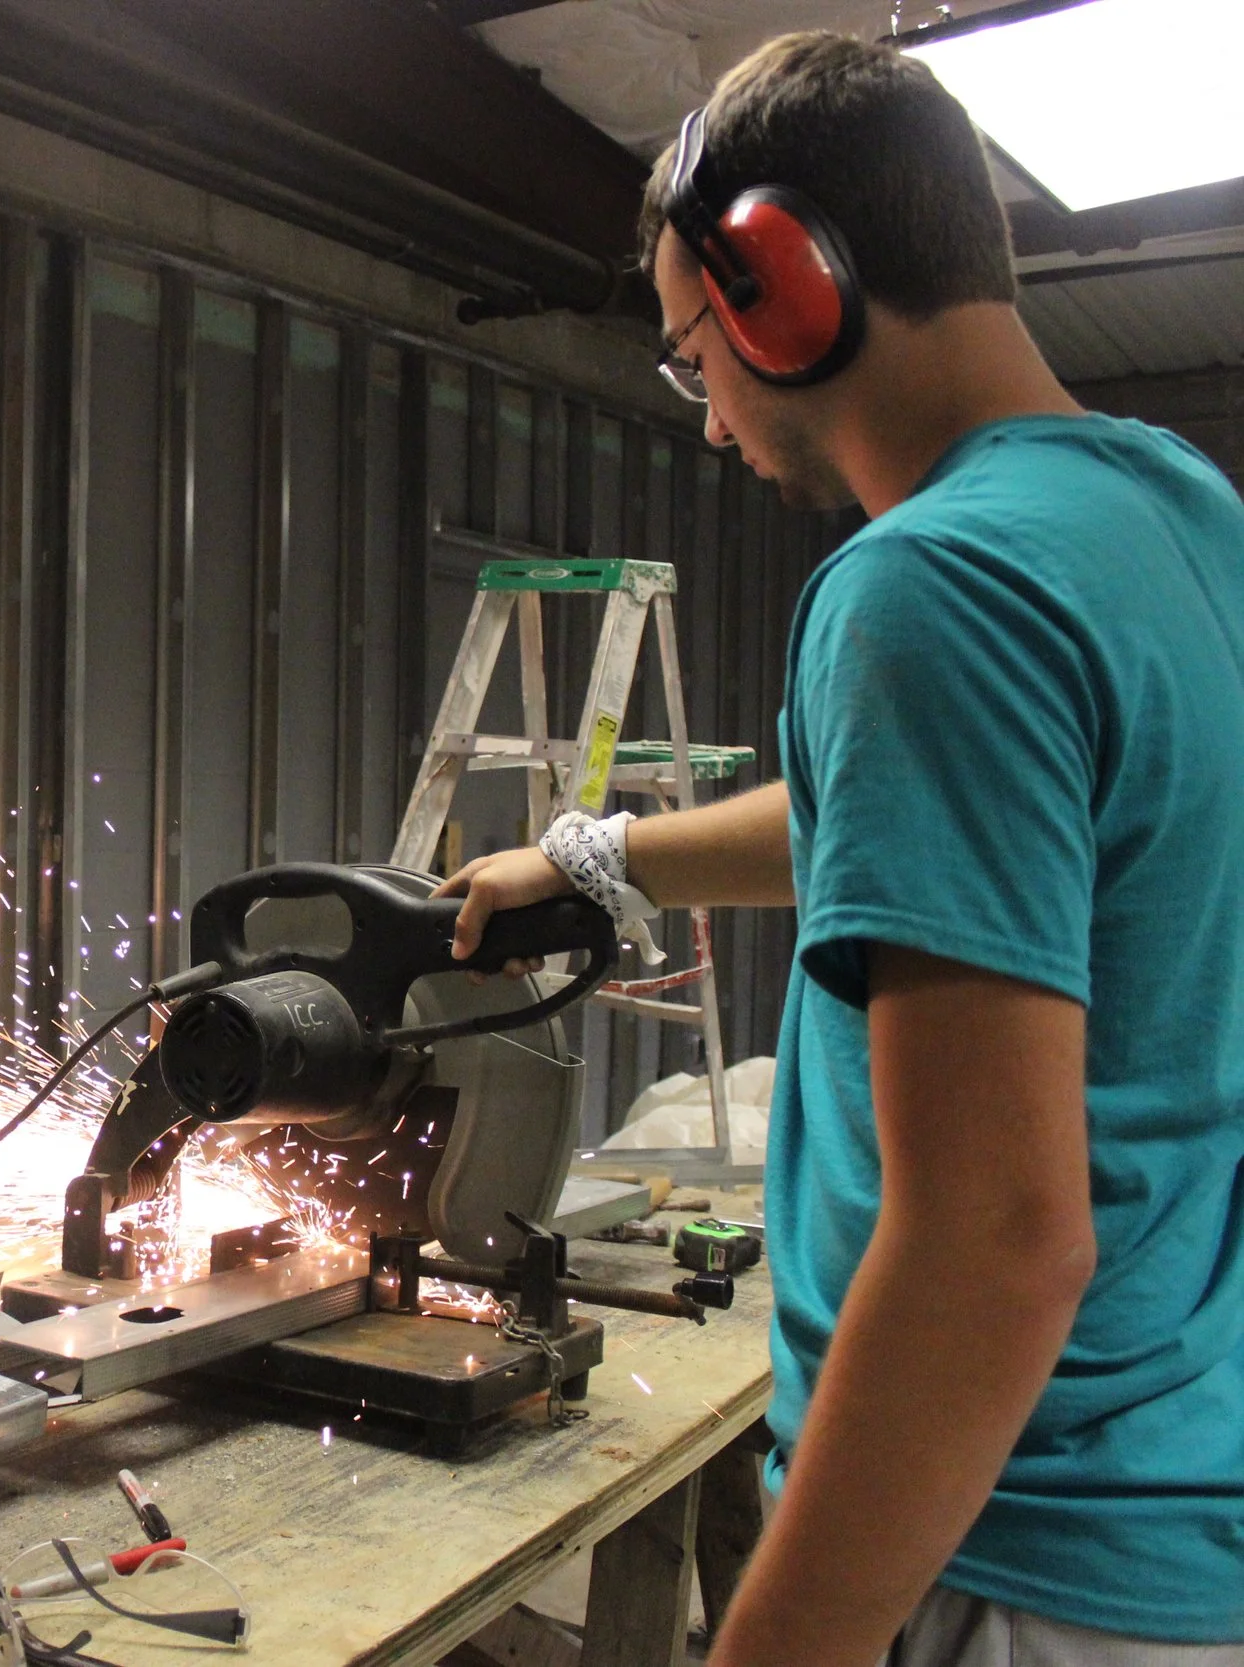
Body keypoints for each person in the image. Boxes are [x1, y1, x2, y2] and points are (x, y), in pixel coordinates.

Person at [436, 31, 1244, 1667]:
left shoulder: (929, 587)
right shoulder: (1181, 518)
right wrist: (602, 860)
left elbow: (997, 1242)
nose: (709, 420)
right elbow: (935, 827)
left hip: (1010, 1544)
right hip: (1173, 1508)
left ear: (786, 293)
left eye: (693, 355)